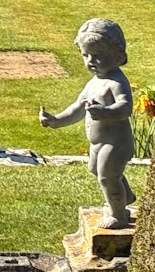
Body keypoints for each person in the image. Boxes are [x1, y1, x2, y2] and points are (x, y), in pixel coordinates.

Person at [39, 18, 137, 229]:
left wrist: (105, 112)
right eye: (86, 55)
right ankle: (125, 195)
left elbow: (125, 108)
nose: (91, 61)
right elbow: (77, 108)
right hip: (98, 143)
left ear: (117, 55)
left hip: (116, 142)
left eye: (98, 56)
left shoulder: (117, 83)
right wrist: (56, 120)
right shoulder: (93, 83)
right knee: (97, 170)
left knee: (106, 176)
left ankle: (119, 215)